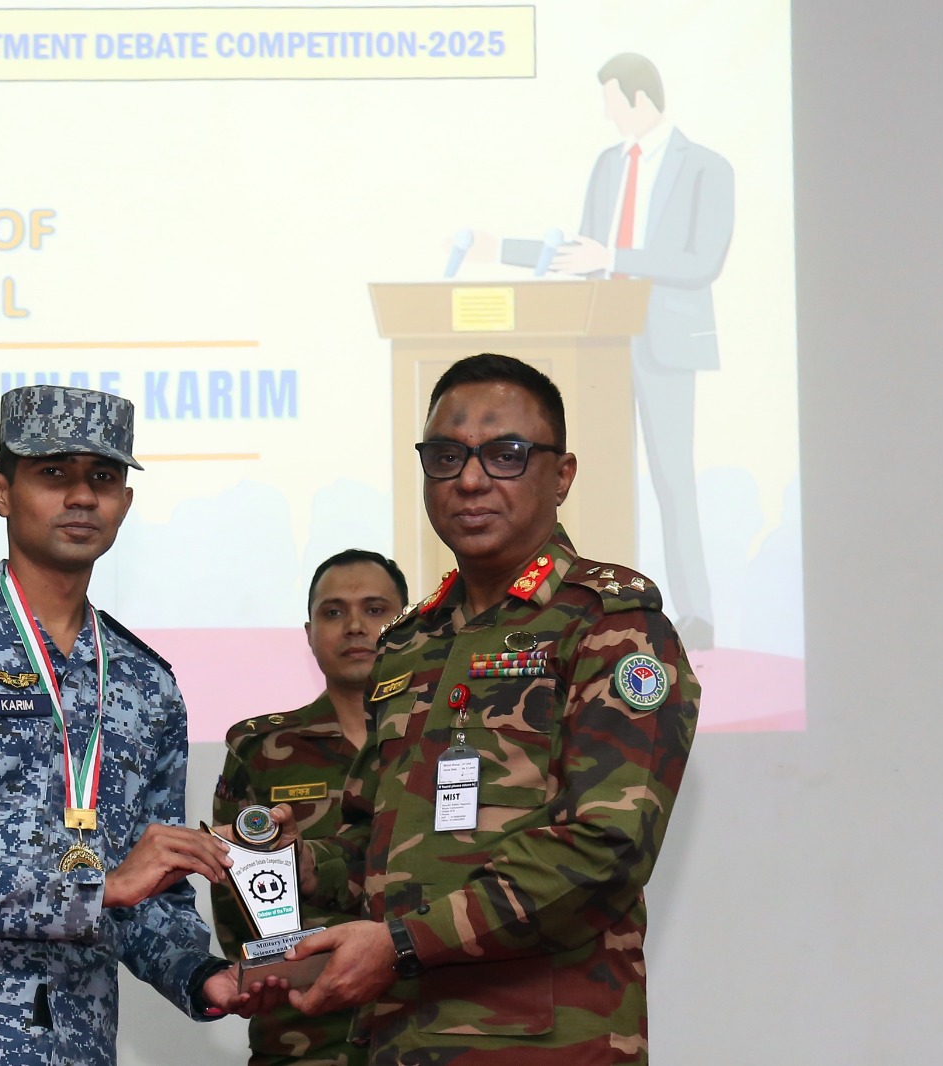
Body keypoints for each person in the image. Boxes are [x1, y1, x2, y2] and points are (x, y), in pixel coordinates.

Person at [276, 353, 699, 1063]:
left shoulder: (612, 625)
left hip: (543, 1045)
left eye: (506, 454)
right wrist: (298, 863)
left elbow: (605, 847)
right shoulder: (409, 643)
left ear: (561, 475)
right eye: (446, 457)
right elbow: (377, 849)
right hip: (400, 1040)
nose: (470, 480)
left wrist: (403, 942)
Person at [0, 385, 271, 1066]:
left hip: (80, 1046)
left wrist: (202, 974)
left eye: (102, 478)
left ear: (124, 503)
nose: (81, 497)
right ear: (0, 492)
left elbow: (146, 896)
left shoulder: (147, 684)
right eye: (53, 474)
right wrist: (95, 889)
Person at [490, 53, 732, 649]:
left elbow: (702, 261)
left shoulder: (705, 166)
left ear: (638, 98)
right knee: (590, 481)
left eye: (610, 100)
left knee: (672, 479)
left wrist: (616, 259)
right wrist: (502, 249)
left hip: (664, 342)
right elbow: (585, 251)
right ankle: (598, 613)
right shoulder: (607, 164)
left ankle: (696, 615)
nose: (605, 112)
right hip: (601, 342)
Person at [211, 549, 410, 1066]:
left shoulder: (446, 740)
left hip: (429, 1025)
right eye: (333, 612)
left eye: (375, 609)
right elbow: (237, 904)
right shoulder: (261, 748)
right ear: (309, 633)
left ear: (408, 625)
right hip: (305, 1033)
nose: (355, 627)